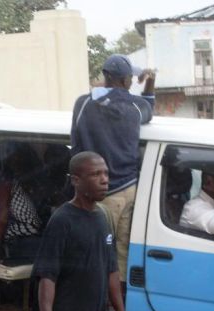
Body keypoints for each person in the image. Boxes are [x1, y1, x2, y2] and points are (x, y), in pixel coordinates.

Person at [32, 151, 131, 311]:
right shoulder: (62, 220)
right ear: (75, 180)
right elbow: (47, 277)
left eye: (106, 173)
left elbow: (111, 270)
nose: (104, 179)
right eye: (96, 174)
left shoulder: (103, 217)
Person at [70, 54, 156, 285]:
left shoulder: (84, 103)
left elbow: (76, 146)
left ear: (106, 76)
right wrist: (149, 80)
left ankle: (99, 304)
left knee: (96, 253)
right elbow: (149, 104)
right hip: (129, 190)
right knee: (121, 254)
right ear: (127, 80)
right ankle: (118, 304)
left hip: (100, 194)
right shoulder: (136, 107)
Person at [0, 145, 43, 266]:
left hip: (24, 242)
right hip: (33, 238)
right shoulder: (27, 183)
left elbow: (2, 218)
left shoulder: (7, 181)